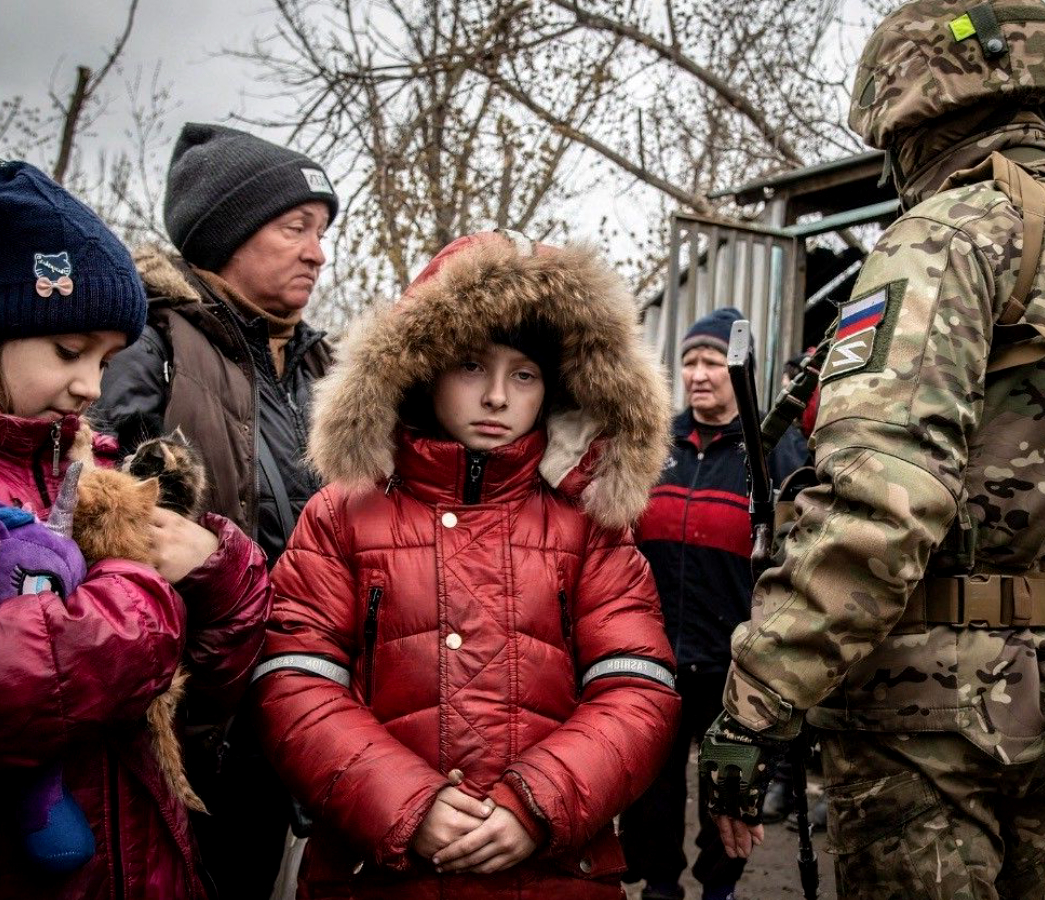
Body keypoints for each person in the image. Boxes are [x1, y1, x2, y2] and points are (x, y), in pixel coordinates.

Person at [698, 1, 1045, 898]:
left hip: (929, 718)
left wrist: (756, 698)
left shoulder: (948, 234)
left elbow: (882, 502)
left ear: (909, 112)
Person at [251, 230, 682, 898]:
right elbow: (293, 681)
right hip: (383, 872)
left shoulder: (590, 523)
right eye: (472, 367)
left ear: (557, 387)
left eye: (524, 375)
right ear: (424, 368)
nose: (497, 398)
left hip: (551, 874)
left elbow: (639, 689)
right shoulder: (343, 514)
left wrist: (537, 804)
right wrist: (401, 802)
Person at [0, 161, 271, 898]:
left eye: (107, 360)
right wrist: (139, 592)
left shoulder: (94, 471)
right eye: (67, 351)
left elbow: (209, 680)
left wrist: (220, 568)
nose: (92, 386)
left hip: (144, 860)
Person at [92, 122, 339, 898]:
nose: (317, 252)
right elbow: (89, 516)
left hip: (291, 705)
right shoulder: (146, 340)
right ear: (226, 231)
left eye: (324, 231)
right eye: (295, 227)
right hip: (177, 722)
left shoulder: (326, 369)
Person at [619, 307, 806, 900]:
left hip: (734, 662)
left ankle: (719, 889)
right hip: (656, 655)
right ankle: (659, 886)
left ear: (738, 370)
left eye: (712, 362)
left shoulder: (775, 452)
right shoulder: (655, 443)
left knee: (730, 788)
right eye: (689, 362)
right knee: (651, 792)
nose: (698, 374)